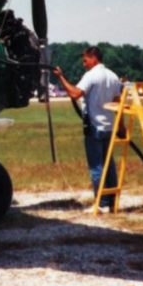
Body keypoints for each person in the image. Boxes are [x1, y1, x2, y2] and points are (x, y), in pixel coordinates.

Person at [54, 46, 123, 211]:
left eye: (85, 60)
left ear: (94, 58)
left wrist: (61, 78)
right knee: (109, 165)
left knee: (97, 167)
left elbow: (75, 94)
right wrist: (121, 126)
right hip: (109, 126)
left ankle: (101, 203)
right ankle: (112, 201)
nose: (84, 64)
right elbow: (118, 103)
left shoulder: (91, 75)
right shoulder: (113, 76)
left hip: (94, 126)